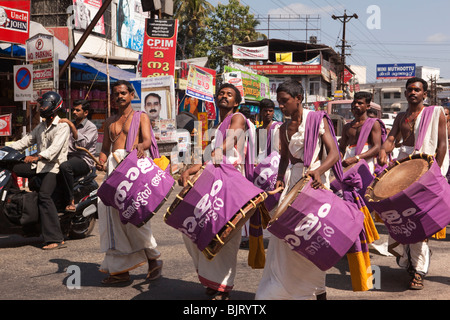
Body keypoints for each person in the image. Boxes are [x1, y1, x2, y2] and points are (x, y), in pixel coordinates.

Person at [255, 80, 340, 300]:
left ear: (299, 99)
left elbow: (333, 154)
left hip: (315, 183)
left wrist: (319, 171)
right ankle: (286, 290)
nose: (280, 107)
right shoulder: (282, 128)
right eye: (279, 102)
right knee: (286, 238)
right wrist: (279, 180)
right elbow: (284, 158)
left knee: (310, 239)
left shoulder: (316, 120)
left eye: (285, 102)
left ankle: (318, 292)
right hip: (293, 184)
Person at [178, 83, 252, 300]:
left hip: (230, 182)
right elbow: (209, 156)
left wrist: (220, 148)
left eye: (229, 94)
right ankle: (211, 279)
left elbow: (234, 136)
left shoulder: (236, 117)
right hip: (213, 177)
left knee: (225, 233)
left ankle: (222, 287)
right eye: (221, 93)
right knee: (194, 226)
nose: (224, 96)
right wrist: (194, 167)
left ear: (236, 102)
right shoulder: (216, 124)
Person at [378, 77, 449, 290]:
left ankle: (418, 270)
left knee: (420, 221)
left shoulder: (435, 113)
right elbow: (391, 140)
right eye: (409, 90)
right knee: (402, 217)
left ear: (425, 94)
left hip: (425, 170)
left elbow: (443, 145)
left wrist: (435, 173)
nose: (413, 93)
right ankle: (410, 261)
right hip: (403, 170)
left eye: (417, 90)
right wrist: (383, 151)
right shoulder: (401, 116)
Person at [96, 80, 163, 285]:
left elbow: (147, 140)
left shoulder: (141, 116)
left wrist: (140, 147)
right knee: (112, 220)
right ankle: (121, 272)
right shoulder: (109, 121)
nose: (120, 97)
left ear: (131, 94)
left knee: (135, 217)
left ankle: (153, 259)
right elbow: (105, 149)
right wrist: (101, 159)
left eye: (123, 93)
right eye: (116, 94)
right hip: (113, 172)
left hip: (132, 169)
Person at [10, 91, 70, 250]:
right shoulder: (41, 126)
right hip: (40, 166)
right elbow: (25, 141)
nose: (42, 107)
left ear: (54, 106)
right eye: (41, 105)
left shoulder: (63, 126)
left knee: (44, 196)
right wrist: (5, 149)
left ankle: (56, 238)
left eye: (44, 105)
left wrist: (37, 157)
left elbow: (55, 149)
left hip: (54, 167)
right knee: (13, 167)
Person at [59, 100, 98, 212]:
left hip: (84, 160)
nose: (74, 112)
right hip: (69, 157)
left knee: (65, 167)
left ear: (85, 113)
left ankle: (70, 201)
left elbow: (82, 144)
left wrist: (71, 125)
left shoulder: (91, 127)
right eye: (73, 110)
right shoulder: (69, 125)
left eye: (77, 110)